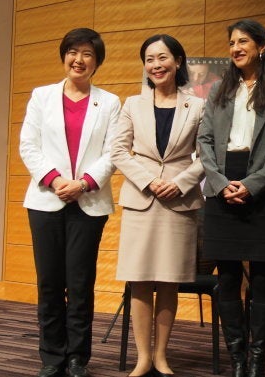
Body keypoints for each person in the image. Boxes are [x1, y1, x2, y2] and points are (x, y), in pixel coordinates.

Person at [197, 19, 265, 377]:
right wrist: (221, 181)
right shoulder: (218, 90)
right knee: (226, 277)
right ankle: (237, 359)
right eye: (232, 43)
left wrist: (252, 184)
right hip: (221, 184)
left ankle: (257, 360)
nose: (236, 48)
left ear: (262, 47)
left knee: (261, 279)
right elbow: (205, 141)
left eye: (243, 41)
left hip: (264, 189)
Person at [19, 28, 121, 377]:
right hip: (45, 200)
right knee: (49, 281)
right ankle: (51, 356)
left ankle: (77, 356)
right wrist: (56, 180)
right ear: (64, 56)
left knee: (79, 283)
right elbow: (28, 146)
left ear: (97, 62)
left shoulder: (109, 102)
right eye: (72, 52)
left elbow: (113, 151)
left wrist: (83, 183)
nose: (79, 59)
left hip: (88, 203)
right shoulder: (41, 96)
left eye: (87, 54)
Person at [112, 34, 205, 377]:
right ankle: (142, 359)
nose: (156, 65)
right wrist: (149, 181)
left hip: (178, 202)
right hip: (141, 200)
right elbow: (118, 151)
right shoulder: (132, 104)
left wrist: (179, 183)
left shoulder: (197, 105)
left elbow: (207, 155)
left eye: (162, 58)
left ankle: (162, 356)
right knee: (139, 280)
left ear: (178, 61)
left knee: (168, 280)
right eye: (149, 59)